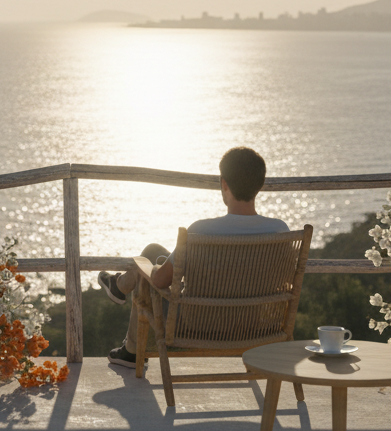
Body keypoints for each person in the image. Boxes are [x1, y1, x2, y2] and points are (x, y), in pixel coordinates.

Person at [97, 146, 288, 368]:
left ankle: (122, 299)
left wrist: (147, 267)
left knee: (149, 264)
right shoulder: (280, 231)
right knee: (154, 250)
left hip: (198, 325)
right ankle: (119, 289)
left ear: (224, 183)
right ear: (260, 184)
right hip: (253, 327)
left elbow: (159, 282)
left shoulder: (200, 231)